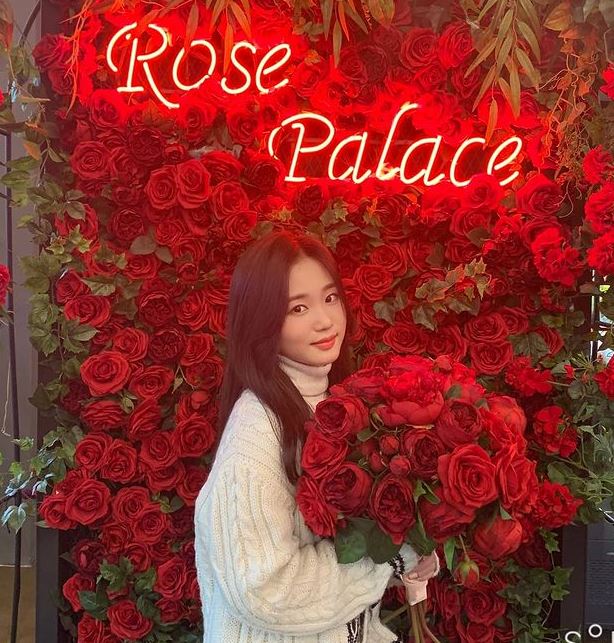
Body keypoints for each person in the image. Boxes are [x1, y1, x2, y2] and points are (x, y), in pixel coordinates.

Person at [194, 230, 439, 643]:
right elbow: (265, 589)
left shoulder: (334, 404)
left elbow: (346, 542)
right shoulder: (256, 432)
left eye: (330, 298)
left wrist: (415, 544)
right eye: (298, 308)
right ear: (262, 321)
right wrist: (391, 559)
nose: (324, 320)